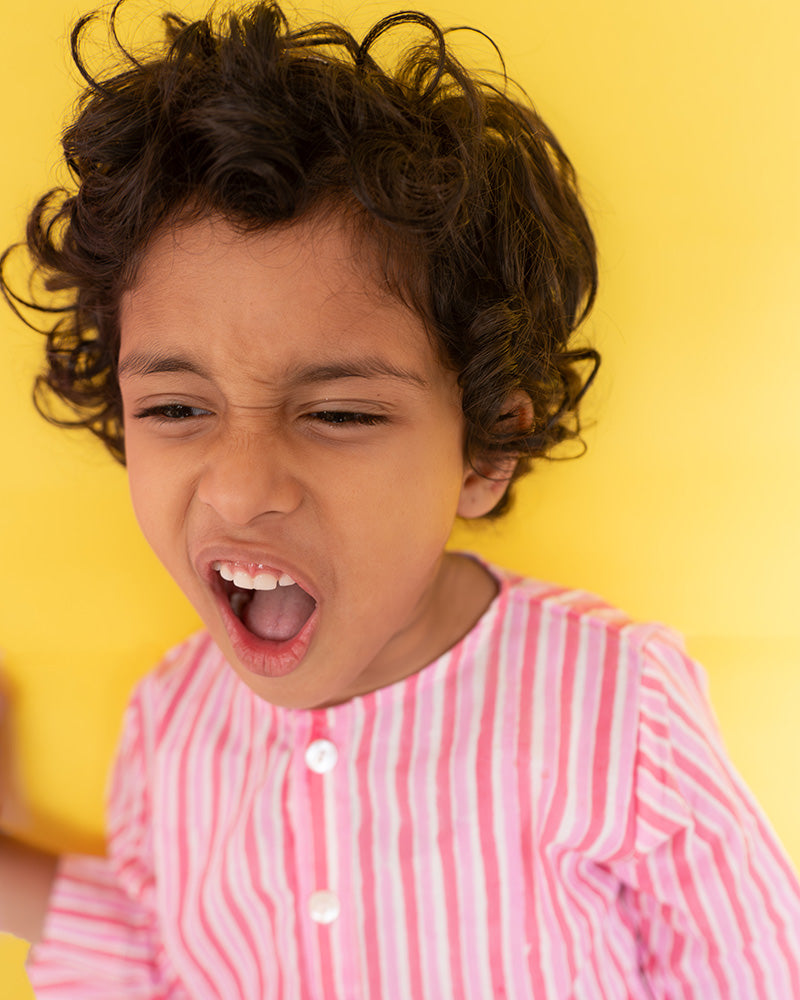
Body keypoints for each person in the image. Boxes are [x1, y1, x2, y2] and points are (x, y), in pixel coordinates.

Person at [1, 2, 799, 996]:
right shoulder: (166, 726)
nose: (243, 487)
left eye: (339, 414)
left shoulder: (613, 705)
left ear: (484, 448)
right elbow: (161, 963)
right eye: (173, 406)